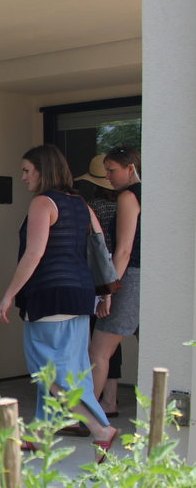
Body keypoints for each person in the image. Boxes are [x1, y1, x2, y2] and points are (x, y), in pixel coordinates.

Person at [0, 145, 118, 461]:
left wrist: (8, 294)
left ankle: (99, 429)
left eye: (26, 170)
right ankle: (39, 434)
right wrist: (105, 292)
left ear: (42, 170)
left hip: (50, 294)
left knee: (48, 372)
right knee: (70, 368)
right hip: (79, 294)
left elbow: (34, 254)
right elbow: (99, 247)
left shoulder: (42, 203)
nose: (22, 177)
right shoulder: (80, 204)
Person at [88, 148, 141, 416]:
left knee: (98, 352)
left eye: (112, 170)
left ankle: (85, 417)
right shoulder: (158, 192)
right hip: (154, 279)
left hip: (130, 277)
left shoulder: (129, 196)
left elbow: (123, 250)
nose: (108, 176)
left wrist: (109, 291)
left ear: (130, 168)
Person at [74, 155, 123, 419]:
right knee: (114, 342)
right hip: (122, 275)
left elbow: (96, 248)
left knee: (100, 343)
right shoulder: (130, 203)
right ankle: (111, 397)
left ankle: (97, 405)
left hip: (104, 279)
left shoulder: (95, 208)